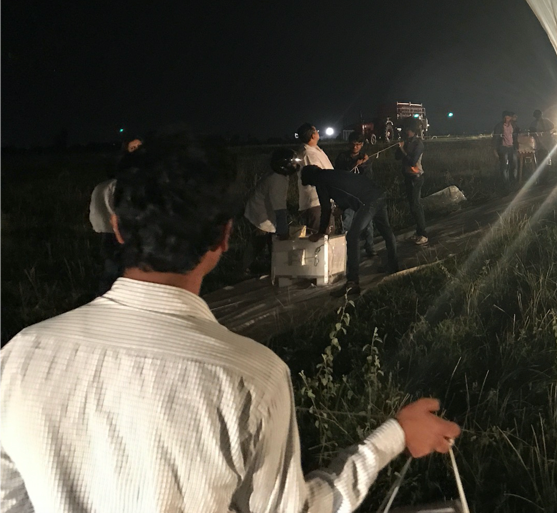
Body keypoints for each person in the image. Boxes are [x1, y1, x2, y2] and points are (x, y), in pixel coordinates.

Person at [0, 135, 460, 512]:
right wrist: (392, 437)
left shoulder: (21, 355)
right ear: (223, 237)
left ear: (117, 229)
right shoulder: (251, 376)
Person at [302, 166, 400, 293]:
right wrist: (341, 208)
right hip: (378, 194)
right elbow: (347, 190)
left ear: (311, 179)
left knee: (352, 236)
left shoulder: (320, 181)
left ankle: (352, 282)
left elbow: (325, 209)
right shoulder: (332, 174)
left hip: (368, 201)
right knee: (386, 232)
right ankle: (393, 265)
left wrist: (320, 233)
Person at [88, 135, 143, 295]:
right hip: (117, 232)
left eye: (139, 147)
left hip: (121, 230)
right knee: (114, 270)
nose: (137, 151)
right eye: (133, 148)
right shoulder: (114, 185)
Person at [243, 147, 299, 274]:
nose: (296, 164)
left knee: (270, 240)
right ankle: (244, 268)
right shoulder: (276, 179)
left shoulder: (280, 176)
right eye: (293, 161)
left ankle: (274, 266)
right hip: (260, 212)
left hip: (265, 210)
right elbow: (279, 209)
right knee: (259, 240)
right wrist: (283, 231)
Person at [335, 131, 377, 257]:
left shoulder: (365, 158)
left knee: (368, 223)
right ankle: (344, 249)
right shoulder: (342, 157)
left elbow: (369, 177)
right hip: (348, 195)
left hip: (362, 196)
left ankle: (370, 247)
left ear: (362, 145)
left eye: (358, 144)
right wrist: (355, 165)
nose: (355, 147)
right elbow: (339, 175)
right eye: (353, 144)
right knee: (346, 222)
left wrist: (364, 165)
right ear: (349, 144)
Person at [296, 122, 334, 234]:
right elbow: (319, 176)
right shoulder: (308, 153)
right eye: (316, 130)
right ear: (313, 135)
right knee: (320, 237)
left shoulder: (314, 150)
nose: (318, 132)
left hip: (322, 200)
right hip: (316, 201)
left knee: (327, 236)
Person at [396, 121, 429, 245]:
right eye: (405, 129)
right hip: (408, 177)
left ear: (413, 131)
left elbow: (412, 161)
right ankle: (418, 232)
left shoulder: (418, 144)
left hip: (416, 177)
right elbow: (397, 157)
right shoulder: (407, 143)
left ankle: (423, 233)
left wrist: (403, 150)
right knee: (412, 205)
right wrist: (400, 148)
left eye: (408, 129)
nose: (406, 132)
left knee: (416, 205)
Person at [492, 110, 519, 184]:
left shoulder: (513, 125)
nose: (508, 119)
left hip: (512, 147)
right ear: (504, 118)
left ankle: (513, 181)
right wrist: (494, 149)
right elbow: (495, 138)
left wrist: (517, 146)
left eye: (509, 117)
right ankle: (506, 183)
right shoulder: (499, 126)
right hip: (503, 148)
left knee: (514, 165)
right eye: (507, 117)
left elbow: (517, 134)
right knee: (504, 167)